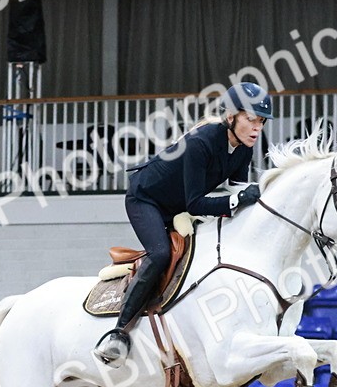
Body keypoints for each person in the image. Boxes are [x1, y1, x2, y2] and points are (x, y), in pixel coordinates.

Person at [92, 82, 274, 366]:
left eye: (260, 122)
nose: (256, 128)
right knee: (161, 253)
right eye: (250, 119)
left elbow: (235, 195)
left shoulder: (243, 150)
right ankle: (118, 332)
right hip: (146, 200)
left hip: (177, 206)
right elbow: (197, 204)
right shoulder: (201, 143)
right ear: (231, 117)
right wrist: (238, 199)